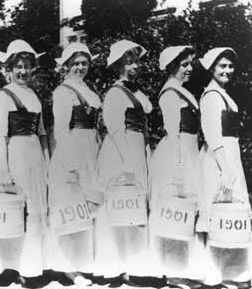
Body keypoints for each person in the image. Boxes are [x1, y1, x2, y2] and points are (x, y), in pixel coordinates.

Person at [0, 39, 50, 284]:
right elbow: (0, 135)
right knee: (18, 208)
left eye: (27, 66)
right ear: (10, 69)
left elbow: (43, 133)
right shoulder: (3, 95)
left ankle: (33, 266)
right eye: (18, 67)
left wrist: (48, 164)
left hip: (35, 153)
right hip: (15, 153)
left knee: (37, 208)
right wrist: (3, 168)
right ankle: (11, 266)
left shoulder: (34, 95)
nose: (23, 71)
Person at [94, 40, 152, 285]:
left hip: (137, 150)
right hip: (120, 154)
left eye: (136, 60)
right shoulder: (115, 93)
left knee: (136, 207)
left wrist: (146, 158)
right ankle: (111, 266)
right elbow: (116, 130)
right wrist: (128, 163)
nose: (134, 66)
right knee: (116, 206)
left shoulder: (138, 93)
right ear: (119, 65)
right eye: (129, 61)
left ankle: (135, 265)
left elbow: (145, 129)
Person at [149, 46, 205, 287]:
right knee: (175, 208)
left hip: (189, 149)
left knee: (187, 210)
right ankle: (172, 271)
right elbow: (172, 132)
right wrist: (178, 167)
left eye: (191, 63)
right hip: (177, 153)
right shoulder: (170, 93)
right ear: (172, 67)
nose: (189, 68)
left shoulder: (182, 91)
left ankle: (184, 267)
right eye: (184, 64)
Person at [48, 42, 102, 286]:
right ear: (67, 65)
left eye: (85, 63)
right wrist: (69, 163)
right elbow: (60, 130)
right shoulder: (63, 92)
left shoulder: (87, 89)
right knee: (73, 207)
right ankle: (70, 268)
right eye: (76, 63)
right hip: (73, 151)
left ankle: (87, 263)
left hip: (91, 148)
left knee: (91, 206)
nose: (80, 67)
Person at [199, 47, 252, 288]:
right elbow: (213, 135)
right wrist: (226, 170)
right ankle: (213, 274)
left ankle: (235, 271)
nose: (227, 70)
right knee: (217, 214)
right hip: (218, 161)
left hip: (231, 157)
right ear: (212, 68)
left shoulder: (223, 94)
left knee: (232, 214)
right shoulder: (211, 96)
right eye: (222, 66)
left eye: (230, 66)